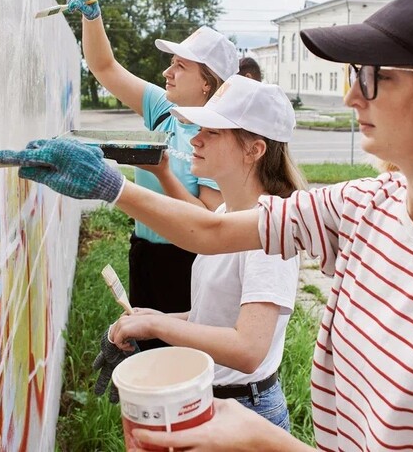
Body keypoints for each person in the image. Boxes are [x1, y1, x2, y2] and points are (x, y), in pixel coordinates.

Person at [0, 0, 413, 451]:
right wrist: (110, 185)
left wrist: (264, 441)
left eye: (371, 76)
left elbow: (245, 339)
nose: (353, 97)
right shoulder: (368, 205)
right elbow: (211, 230)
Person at [109, 75, 305, 429]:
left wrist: (158, 325)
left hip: (247, 411)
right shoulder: (225, 214)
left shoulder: (269, 235)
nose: (195, 139)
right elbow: (218, 314)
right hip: (215, 400)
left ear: (254, 150)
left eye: (212, 132)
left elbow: (248, 349)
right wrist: (158, 318)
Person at [65, 0, 239, 348]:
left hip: (185, 260)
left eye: (180, 66)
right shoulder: (162, 108)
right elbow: (104, 67)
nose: (167, 71)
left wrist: (164, 175)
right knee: (143, 346)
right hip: (143, 249)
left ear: (207, 82)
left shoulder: (215, 135)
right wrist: (92, 17)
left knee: (179, 357)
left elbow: (209, 218)